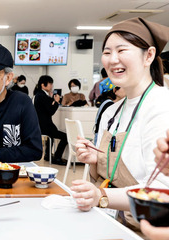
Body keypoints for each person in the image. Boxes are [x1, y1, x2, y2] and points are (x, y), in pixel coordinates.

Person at [71, 17, 169, 231]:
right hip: (113, 223)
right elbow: (119, 167)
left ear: (149, 55)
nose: (112, 59)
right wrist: (96, 158)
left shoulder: (161, 105)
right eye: (107, 52)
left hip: (146, 229)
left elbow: (162, 189)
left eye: (122, 50)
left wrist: (102, 195)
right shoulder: (112, 111)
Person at [33, 75, 68, 165]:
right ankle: (57, 157)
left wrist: (51, 98)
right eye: (50, 84)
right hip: (45, 126)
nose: (51, 86)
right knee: (65, 137)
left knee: (52, 135)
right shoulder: (41, 95)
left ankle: (48, 155)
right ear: (43, 85)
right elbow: (50, 111)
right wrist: (56, 101)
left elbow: (46, 108)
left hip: (42, 125)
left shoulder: (40, 95)